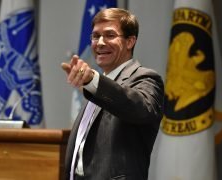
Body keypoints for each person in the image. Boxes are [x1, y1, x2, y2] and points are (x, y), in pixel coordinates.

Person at [61, 8, 164, 180]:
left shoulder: (145, 78)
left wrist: (92, 81)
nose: (100, 42)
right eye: (95, 36)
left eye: (109, 35)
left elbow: (139, 108)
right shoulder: (96, 88)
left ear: (130, 41)